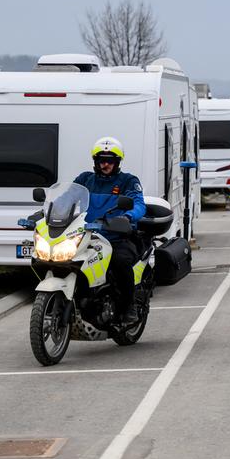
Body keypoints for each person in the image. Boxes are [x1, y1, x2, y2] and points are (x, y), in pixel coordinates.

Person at [74, 137, 146, 323]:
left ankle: (128, 306)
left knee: (120, 262)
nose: (105, 164)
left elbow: (139, 204)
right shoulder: (85, 179)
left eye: (110, 161)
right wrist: (45, 212)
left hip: (117, 237)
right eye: (101, 160)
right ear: (95, 161)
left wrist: (128, 217)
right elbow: (66, 198)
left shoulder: (128, 181)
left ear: (117, 162)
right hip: (86, 236)